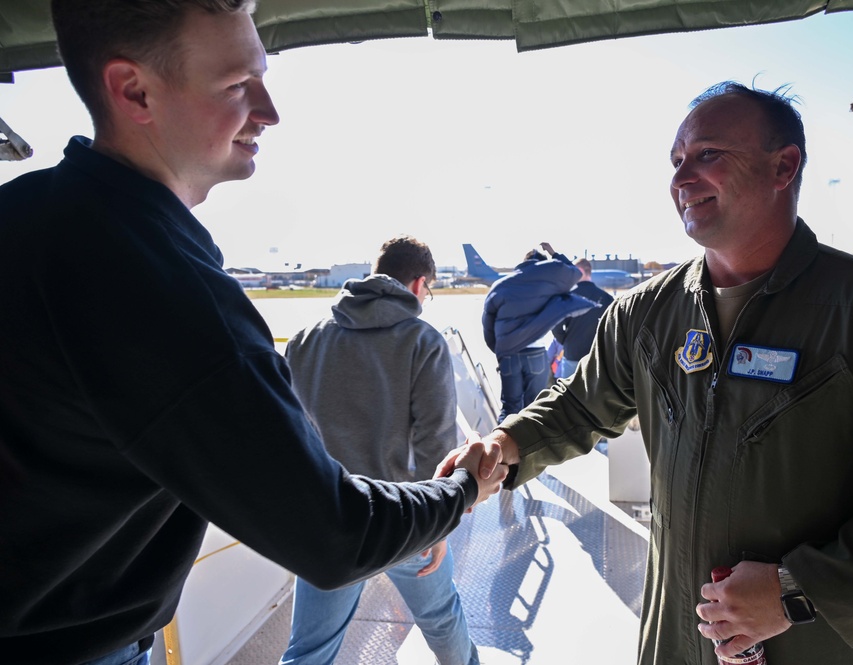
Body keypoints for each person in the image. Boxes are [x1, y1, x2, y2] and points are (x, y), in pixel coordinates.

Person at [0, 3, 504, 664]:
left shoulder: (26, 212)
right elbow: (332, 537)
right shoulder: (169, 295)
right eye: (238, 85)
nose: (269, 110)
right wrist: (463, 487)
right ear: (134, 91)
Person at [443, 82, 853, 664]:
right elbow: (583, 405)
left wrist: (794, 591)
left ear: (784, 167)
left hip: (804, 648)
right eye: (677, 162)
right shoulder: (645, 313)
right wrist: (505, 445)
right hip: (672, 643)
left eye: (708, 155)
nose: (681, 179)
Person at [280, 235, 479, 665]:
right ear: (418, 284)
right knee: (443, 622)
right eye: (429, 292)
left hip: (329, 520)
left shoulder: (304, 340)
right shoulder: (422, 341)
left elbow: (287, 436)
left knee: (309, 650)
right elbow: (435, 443)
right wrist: (440, 525)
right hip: (403, 517)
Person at [481, 245, 596, 420]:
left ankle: (500, 444)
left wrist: (500, 351)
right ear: (543, 266)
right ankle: (531, 447)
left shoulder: (500, 286)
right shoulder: (549, 286)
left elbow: (488, 325)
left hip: (508, 353)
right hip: (535, 354)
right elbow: (575, 273)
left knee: (509, 407)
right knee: (534, 408)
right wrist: (554, 254)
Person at [551, 257, 615, 379]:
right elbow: (614, 329)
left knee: (569, 396)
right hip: (597, 358)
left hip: (573, 355)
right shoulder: (606, 298)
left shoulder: (567, 297)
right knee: (595, 397)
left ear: (579, 271)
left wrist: (567, 342)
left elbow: (555, 325)